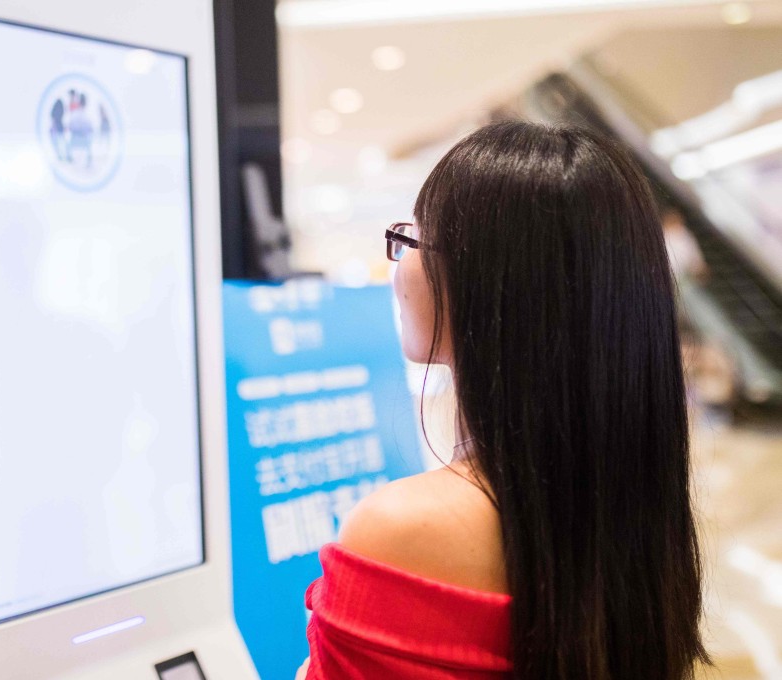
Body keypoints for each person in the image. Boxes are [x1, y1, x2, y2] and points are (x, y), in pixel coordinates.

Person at [301, 121, 708, 680]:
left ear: (483, 280)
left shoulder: (403, 530)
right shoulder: (633, 504)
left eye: (411, 239)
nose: (399, 268)